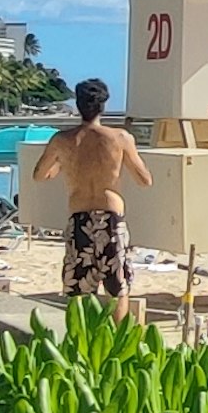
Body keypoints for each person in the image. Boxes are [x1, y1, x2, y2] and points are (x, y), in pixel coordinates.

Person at [28, 77, 150, 312]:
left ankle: (81, 338)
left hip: (79, 216)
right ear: (103, 106)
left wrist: (61, 166)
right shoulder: (121, 138)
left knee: (78, 287)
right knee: (117, 286)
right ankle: (117, 342)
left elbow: (39, 175)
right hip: (111, 215)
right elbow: (145, 180)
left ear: (78, 105)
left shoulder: (61, 140)